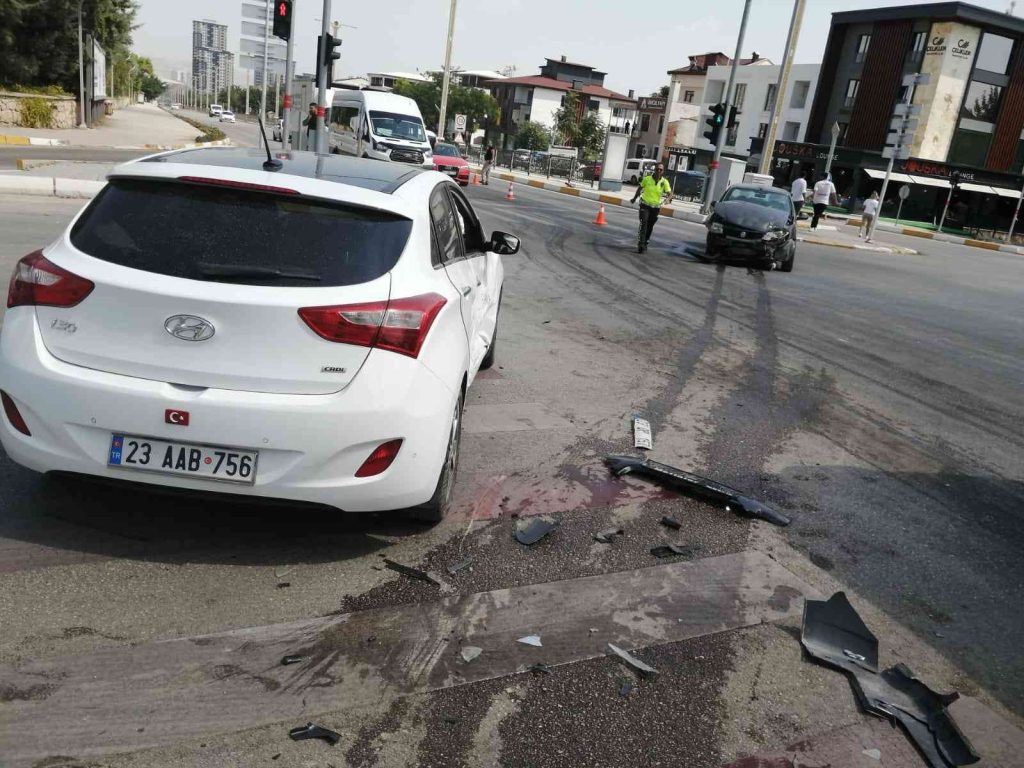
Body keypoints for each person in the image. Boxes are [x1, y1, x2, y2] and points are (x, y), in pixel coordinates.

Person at [630, 163, 672, 253]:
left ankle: (646, 241)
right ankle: (641, 243)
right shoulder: (647, 179)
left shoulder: (664, 182)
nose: (659, 171)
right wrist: (634, 198)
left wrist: (668, 199)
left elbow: (670, 193)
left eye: (661, 170)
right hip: (645, 205)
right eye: (657, 169)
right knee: (644, 222)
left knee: (650, 225)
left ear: (663, 171)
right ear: (654, 170)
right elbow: (639, 189)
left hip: (656, 207)